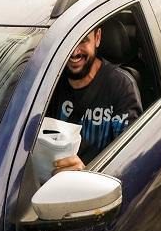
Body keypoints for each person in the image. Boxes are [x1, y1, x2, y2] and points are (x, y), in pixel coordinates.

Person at [46, 26, 143, 171]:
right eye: (68, 42)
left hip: (97, 186)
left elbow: (129, 162)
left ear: (97, 38)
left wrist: (86, 173)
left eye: (83, 41)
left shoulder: (121, 86)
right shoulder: (48, 83)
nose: (74, 51)